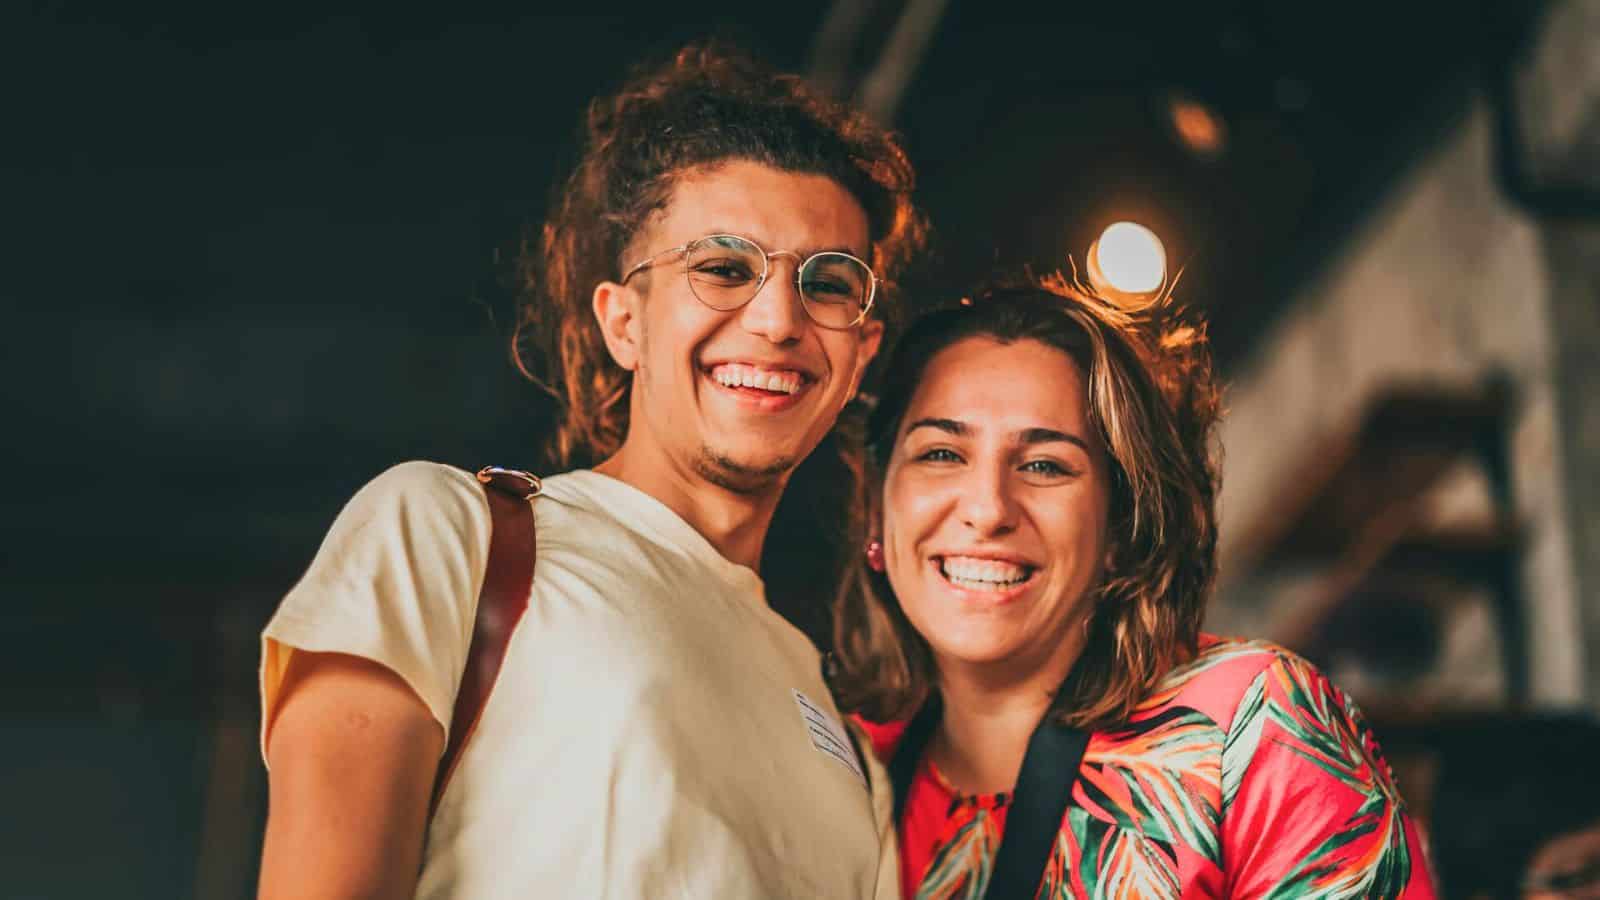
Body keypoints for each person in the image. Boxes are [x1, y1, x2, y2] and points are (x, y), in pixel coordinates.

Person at [256, 45, 923, 899]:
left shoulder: (848, 750)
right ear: (625, 322)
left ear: (860, 354)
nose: (778, 320)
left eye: (828, 284)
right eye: (723, 268)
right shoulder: (448, 533)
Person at [831, 273, 1438, 898]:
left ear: (1123, 529)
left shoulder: (1248, 725)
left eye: (1045, 465)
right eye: (940, 454)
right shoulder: (837, 774)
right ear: (877, 508)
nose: (987, 509)